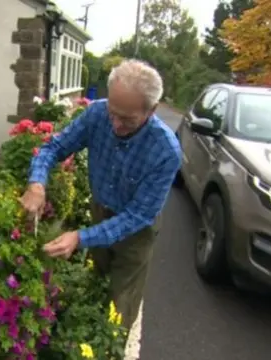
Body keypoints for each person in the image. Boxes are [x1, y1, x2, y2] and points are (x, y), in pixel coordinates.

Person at [20, 59, 182, 330]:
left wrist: (80, 237)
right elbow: (53, 148)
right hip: (100, 209)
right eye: (113, 113)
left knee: (120, 304)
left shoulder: (166, 151)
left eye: (128, 119)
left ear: (151, 110)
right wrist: (37, 185)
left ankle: (112, 344)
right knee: (97, 278)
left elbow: (137, 216)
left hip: (136, 232)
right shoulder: (96, 115)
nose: (116, 124)